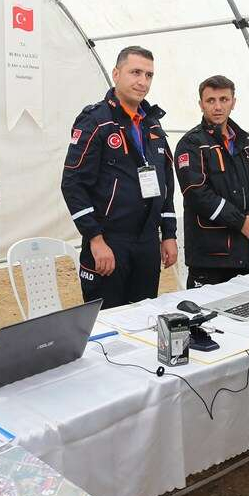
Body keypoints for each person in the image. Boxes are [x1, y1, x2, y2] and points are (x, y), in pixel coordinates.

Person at [62, 46, 177, 308]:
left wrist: (169, 234)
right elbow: (72, 183)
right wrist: (95, 239)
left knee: (144, 317)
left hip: (147, 243)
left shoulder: (153, 123)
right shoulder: (95, 121)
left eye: (148, 75)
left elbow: (166, 184)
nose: (142, 81)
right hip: (109, 242)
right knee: (107, 322)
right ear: (116, 74)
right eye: (135, 72)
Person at [173, 75, 249, 287]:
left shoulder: (245, 141)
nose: (218, 106)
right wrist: (240, 222)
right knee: (205, 309)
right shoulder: (191, 144)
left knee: (245, 307)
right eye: (211, 100)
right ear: (201, 104)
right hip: (210, 259)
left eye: (224, 99)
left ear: (233, 102)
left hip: (246, 251)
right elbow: (196, 193)